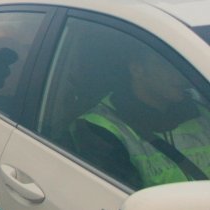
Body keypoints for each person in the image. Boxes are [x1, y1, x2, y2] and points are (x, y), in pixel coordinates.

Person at [73, 45, 210, 190]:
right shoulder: (100, 128)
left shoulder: (203, 111)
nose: (180, 74)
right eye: (167, 64)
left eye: (182, 64)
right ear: (137, 69)